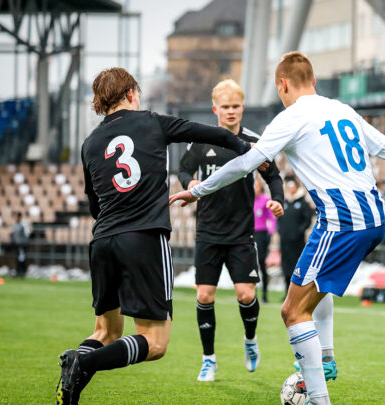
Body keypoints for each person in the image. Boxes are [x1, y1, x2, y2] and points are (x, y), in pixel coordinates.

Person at [169, 52, 385, 405]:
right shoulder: (342, 110)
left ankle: (318, 398)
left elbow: (246, 163)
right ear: (314, 80)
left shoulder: (290, 118)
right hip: (373, 219)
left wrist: (197, 190)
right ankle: (324, 358)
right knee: (315, 288)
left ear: (283, 85)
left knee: (292, 311)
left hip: (343, 223)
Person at [55, 67, 253, 404]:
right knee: (155, 343)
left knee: (105, 331)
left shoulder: (90, 144)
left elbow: (94, 204)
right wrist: (242, 145)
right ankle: (83, 361)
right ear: (131, 93)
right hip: (144, 237)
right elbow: (210, 133)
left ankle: (74, 373)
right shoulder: (151, 121)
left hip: (102, 241)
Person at [177, 79, 284, 381]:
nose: (231, 111)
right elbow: (183, 169)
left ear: (243, 107)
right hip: (208, 231)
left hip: (241, 234)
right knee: (206, 295)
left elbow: (273, 175)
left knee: (246, 294)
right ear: (215, 109)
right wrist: (189, 183)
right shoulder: (201, 141)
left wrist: (277, 200)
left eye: (236, 106)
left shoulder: (253, 141)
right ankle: (208, 359)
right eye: (225, 107)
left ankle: (250, 341)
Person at [278, 176, 314, 295]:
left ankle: (296, 293)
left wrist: (299, 231)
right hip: (285, 240)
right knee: (285, 265)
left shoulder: (303, 203)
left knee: (296, 266)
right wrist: (281, 231)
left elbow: (307, 219)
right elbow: (279, 219)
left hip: (297, 241)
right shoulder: (285, 202)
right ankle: (286, 292)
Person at [254, 178, 279, 303]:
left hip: (261, 234)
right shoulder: (248, 199)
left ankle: (264, 294)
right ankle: (252, 295)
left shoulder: (265, 200)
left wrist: (270, 233)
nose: (254, 188)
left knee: (262, 264)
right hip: (250, 234)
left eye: (256, 185)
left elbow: (272, 218)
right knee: (251, 265)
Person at [10, 212, 28, 278]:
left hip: (21, 245)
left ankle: (21, 272)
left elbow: (26, 234)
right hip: (16, 245)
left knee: (21, 258)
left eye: (16, 217)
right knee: (18, 259)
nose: (15, 218)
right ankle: (18, 272)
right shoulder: (14, 225)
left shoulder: (23, 225)